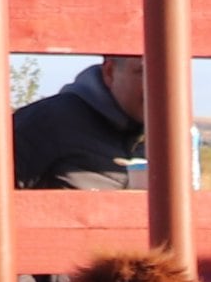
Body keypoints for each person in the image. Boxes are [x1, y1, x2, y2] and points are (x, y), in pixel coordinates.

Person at [10, 56, 155, 190]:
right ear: (110, 72)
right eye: (145, 71)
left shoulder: (171, 137)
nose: (163, 85)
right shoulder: (46, 123)